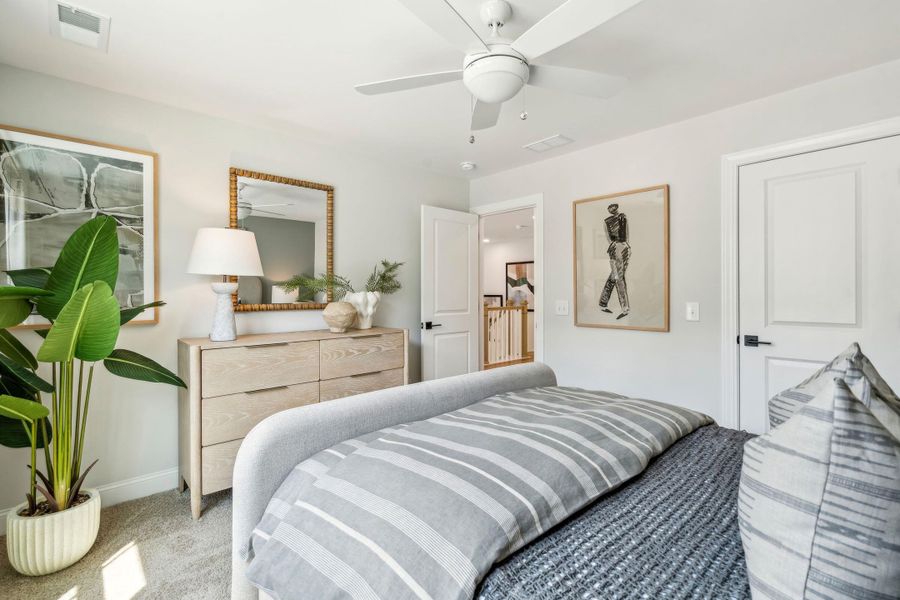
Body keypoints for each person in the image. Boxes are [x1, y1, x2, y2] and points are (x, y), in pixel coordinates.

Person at [598, 203, 630, 319]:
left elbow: (611, 237)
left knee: (615, 276)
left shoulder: (620, 218)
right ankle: (625, 308)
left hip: (619, 248)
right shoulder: (618, 218)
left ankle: (603, 302)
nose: (612, 210)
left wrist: (622, 246)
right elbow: (625, 235)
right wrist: (623, 246)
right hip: (620, 248)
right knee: (618, 277)